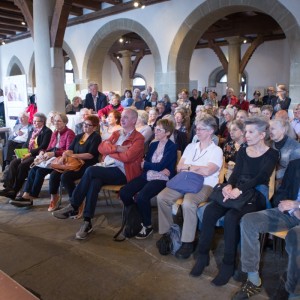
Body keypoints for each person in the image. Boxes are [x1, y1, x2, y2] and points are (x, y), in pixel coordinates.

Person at [190, 116, 279, 286]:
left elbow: (261, 177)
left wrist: (240, 189)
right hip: (237, 190)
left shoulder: (272, 154)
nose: (247, 135)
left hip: (256, 194)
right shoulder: (244, 150)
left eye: (251, 132)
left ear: (262, 135)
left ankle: (228, 265)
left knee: (231, 218)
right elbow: (236, 173)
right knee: (209, 211)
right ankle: (202, 257)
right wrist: (229, 186)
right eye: (246, 132)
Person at [52, 108, 145, 240]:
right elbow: (101, 147)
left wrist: (110, 151)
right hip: (107, 167)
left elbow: (127, 158)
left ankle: (74, 205)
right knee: (94, 182)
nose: (122, 119)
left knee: (90, 170)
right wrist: (117, 148)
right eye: (122, 116)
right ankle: (87, 222)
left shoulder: (138, 139)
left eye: (126, 117)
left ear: (134, 120)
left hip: (123, 172)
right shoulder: (117, 133)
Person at [232, 158, 300, 300]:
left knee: (295, 236)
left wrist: (297, 205)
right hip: (290, 213)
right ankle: (253, 280)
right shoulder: (296, 164)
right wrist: (288, 207)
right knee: (249, 221)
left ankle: (295, 293)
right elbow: (282, 192)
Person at [157, 114, 223, 259]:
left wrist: (189, 166)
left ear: (211, 130)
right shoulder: (191, 146)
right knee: (162, 197)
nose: (197, 131)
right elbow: (179, 167)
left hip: (205, 184)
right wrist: (196, 167)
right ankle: (167, 233)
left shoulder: (216, 150)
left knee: (188, 203)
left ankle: (188, 241)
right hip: (185, 180)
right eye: (196, 128)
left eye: (201, 129)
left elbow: (208, 171)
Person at [120, 119, 177, 239]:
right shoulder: (153, 144)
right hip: (149, 175)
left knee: (142, 197)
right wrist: (153, 166)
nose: (155, 131)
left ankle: (147, 225)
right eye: (156, 128)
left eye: (159, 129)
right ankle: (137, 215)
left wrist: (148, 165)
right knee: (124, 192)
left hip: (162, 178)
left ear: (167, 133)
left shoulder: (172, 147)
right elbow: (151, 163)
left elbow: (154, 165)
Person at [9, 113, 75, 210]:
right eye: (55, 121)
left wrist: (53, 154)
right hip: (52, 159)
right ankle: (27, 195)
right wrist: (42, 153)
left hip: (62, 160)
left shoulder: (69, 133)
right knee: (34, 168)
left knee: (39, 171)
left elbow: (69, 151)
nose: (56, 123)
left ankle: (33, 195)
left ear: (65, 122)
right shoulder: (55, 133)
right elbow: (49, 148)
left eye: (59, 121)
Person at [0, 113, 52, 200]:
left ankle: (15, 190)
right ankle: (9, 188)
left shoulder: (47, 131)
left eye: (36, 121)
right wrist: (21, 151)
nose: (34, 123)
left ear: (42, 122)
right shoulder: (33, 131)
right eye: (34, 121)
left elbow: (43, 146)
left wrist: (30, 153)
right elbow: (27, 143)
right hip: (28, 153)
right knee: (13, 163)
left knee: (22, 165)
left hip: (37, 155)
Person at [269, 118, 300, 188]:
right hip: (271, 180)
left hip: (288, 184)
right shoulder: (269, 144)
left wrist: (275, 174)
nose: (269, 131)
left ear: (282, 130)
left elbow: (294, 171)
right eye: (269, 129)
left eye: (273, 129)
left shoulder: (295, 147)